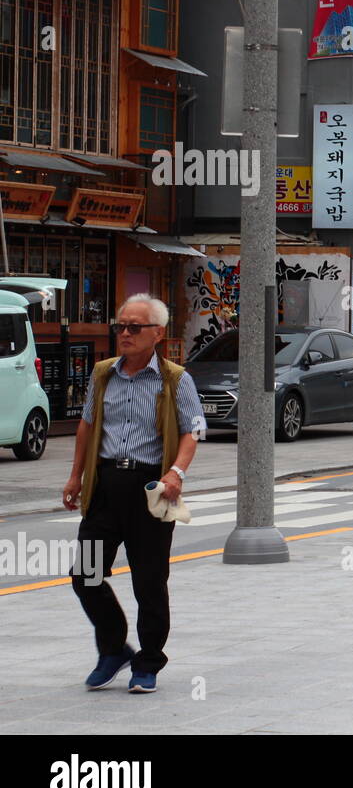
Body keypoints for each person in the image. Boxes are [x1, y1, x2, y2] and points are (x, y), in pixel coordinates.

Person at [62, 294, 206, 693]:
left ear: (157, 334)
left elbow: (193, 431)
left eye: (134, 327)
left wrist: (177, 472)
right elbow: (88, 426)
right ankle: (113, 649)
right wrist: (76, 477)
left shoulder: (176, 379)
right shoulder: (103, 373)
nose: (124, 333)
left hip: (152, 491)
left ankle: (148, 662)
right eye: (120, 326)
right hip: (105, 488)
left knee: (149, 581)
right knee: (85, 575)